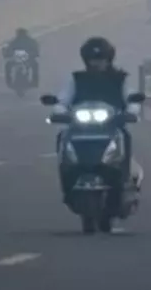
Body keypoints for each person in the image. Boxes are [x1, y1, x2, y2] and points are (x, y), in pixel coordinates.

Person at [54, 37, 142, 203]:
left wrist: (131, 111)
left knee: (125, 137)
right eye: (93, 60)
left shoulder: (120, 79)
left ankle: (124, 178)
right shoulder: (76, 79)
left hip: (112, 126)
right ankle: (67, 182)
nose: (96, 64)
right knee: (62, 137)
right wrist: (59, 111)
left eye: (100, 60)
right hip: (80, 128)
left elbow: (130, 99)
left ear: (109, 60)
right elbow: (63, 100)